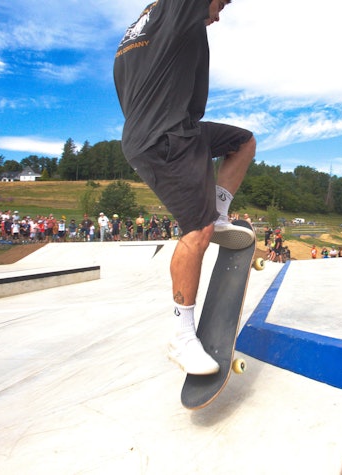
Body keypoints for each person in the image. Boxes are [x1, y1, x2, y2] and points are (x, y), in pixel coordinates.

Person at [114, 0, 255, 375]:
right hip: (164, 137)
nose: (219, 14)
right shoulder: (179, 6)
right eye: (221, 3)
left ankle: (219, 212)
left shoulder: (140, 29)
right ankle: (180, 336)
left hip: (179, 130)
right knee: (197, 232)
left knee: (243, 142)